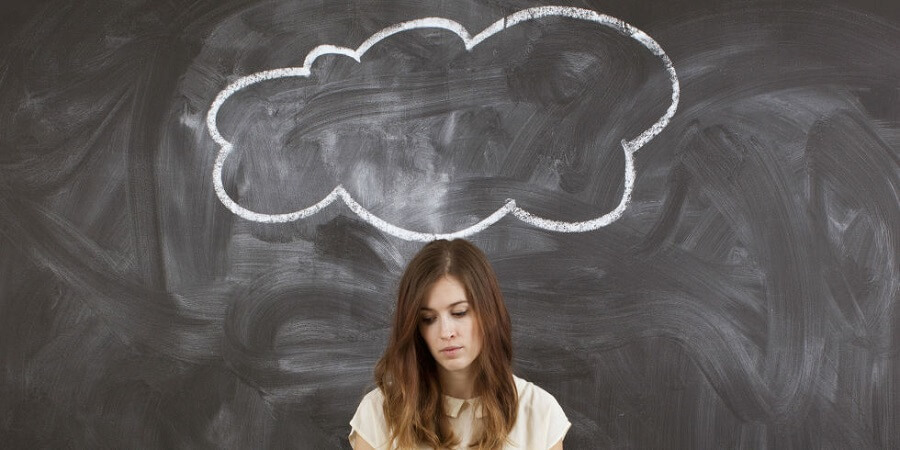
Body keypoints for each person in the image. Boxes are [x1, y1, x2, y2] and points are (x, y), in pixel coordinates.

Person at [349, 239, 570, 449]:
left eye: (459, 312)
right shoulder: (379, 412)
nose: (446, 332)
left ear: (488, 312)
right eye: (428, 319)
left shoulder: (539, 412)